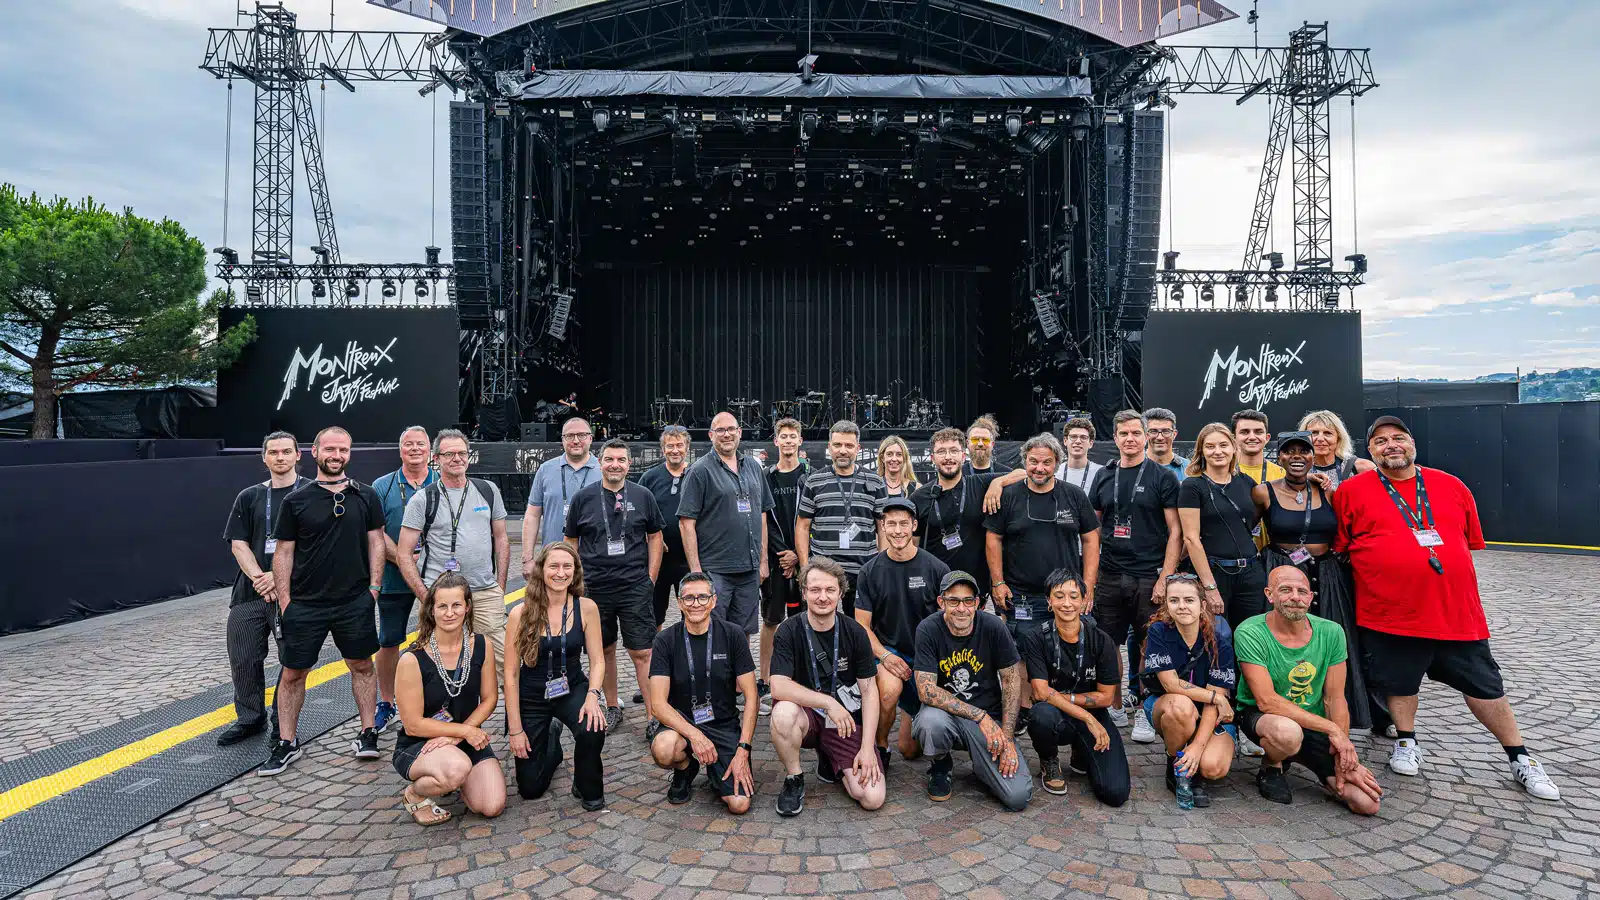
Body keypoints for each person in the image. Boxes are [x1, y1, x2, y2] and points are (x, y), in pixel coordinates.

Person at [1334, 416, 1561, 801]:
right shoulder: (1351, 492)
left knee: (1486, 687)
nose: (1391, 445)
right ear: (1369, 451)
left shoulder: (1450, 485)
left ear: (1412, 443)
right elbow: (1343, 544)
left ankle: (1520, 756)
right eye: (1381, 441)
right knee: (1400, 683)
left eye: (1398, 438)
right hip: (1389, 613)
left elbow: (1467, 541)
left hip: (1455, 614)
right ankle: (1406, 740)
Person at [260, 426, 387, 776]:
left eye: (343, 450)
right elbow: (284, 552)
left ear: (349, 454)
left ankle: (367, 732)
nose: (336, 455)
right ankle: (286, 742)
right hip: (305, 604)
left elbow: (377, 542)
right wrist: (286, 600)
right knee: (293, 673)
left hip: (354, 601)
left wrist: (373, 589)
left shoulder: (366, 496)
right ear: (314, 452)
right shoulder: (296, 500)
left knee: (362, 665)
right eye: (329, 449)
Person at [1234, 566, 1384, 814]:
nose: (1295, 597)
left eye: (1302, 591)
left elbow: (1335, 698)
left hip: (1312, 722)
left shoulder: (1331, 631)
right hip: (1264, 717)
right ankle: (1272, 765)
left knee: (1366, 803)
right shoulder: (1250, 632)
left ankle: (1298, 755)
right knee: (1287, 734)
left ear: (1311, 597)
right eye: (1285, 590)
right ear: (1269, 595)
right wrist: (1331, 729)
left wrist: (1342, 747)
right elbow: (1267, 701)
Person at [1252, 431, 1371, 732]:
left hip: (1326, 574)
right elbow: (1245, 530)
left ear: (1312, 457)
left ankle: (1335, 716)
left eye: (1303, 452)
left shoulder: (1328, 491)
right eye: (1289, 451)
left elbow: (1347, 528)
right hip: (1281, 567)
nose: (1296, 457)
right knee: (1283, 637)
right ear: (1278, 457)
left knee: (1332, 641)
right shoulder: (1263, 492)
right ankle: (1280, 711)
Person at [1087, 410, 1182, 743]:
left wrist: (1165, 577)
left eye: (1135, 433)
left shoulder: (1163, 477)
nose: (1129, 439)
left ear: (1146, 437)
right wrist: (1091, 577)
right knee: (1108, 642)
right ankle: (1114, 704)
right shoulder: (1103, 476)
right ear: (1115, 439)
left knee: (1148, 643)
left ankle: (1144, 709)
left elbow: (1175, 532)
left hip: (1149, 574)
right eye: (1123, 434)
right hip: (1111, 573)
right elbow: (1093, 531)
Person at [768, 558, 886, 816]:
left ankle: (830, 759)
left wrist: (867, 748)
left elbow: (869, 691)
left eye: (830, 590)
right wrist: (828, 702)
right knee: (782, 713)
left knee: (871, 797)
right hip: (808, 715)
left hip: (843, 722)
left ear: (841, 593)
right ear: (804, 592)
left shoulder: (855, 632)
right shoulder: (788, 630)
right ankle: (794, 778)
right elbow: (777, 686)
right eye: (815, 590)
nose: (823, 597)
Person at [564, 439, 665, 735]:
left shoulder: (643, 495)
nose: (615, 465)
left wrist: (651, 578)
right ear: (600, 462)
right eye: (609, 459)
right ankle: (612, 707)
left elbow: (656, 536)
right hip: (595, 589)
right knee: (603, 650)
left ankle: (653, 715)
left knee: (643, 652)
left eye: (621, 460)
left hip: (635, 586)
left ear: (629, 465)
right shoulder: (583, 498)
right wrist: (576, 582)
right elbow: (571, 542)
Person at [912, 570, 1032, 811]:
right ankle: (940, 764)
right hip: (948, 717)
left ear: (977, 603)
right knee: (929, 723)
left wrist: (1007, 738)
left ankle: (983, 766)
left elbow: (1011, 681)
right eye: (953, 601)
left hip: (989, 720)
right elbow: (926, 690)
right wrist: (979, 715)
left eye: (968, 601)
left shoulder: (993, 627)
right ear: (941, 602)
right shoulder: (928, 629)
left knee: (1018, 797)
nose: (961, 608)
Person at [392, 572, 505, 826]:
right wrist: (463, 731)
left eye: (456, 605)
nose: (449, 612)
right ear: (431, 610)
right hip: (419, 745)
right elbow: (413, 724)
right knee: (455, 769)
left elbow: (489, 699)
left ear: (467, 607)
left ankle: (457, 779)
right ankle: (416, 794)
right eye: (442, 606)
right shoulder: (413, 659)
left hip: (464, 738)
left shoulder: (482, 645)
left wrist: (459, 735)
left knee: (491, 806)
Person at [504, 542, 609, 811]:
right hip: (531, 694)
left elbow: (597, 661)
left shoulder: (586, 608)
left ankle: (586, 784)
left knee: (591, 726)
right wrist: (515, 730)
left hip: (571, 687)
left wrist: (593, 696)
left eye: (567, 567)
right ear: (541, 570)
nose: (560, 573)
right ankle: (552, 740)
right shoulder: (520, 613)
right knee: (530, 789)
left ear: (575, 572)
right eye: (554, 566)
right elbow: (511, 675)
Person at [218, 431, 305, 746]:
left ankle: (283, 722)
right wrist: (260, 577)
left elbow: (316, 546)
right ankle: (249, 719)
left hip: (293, 593)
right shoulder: (249, 496)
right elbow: (238, 544)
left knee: (292, 660)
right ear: (264, 457)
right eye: (273, 452)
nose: (280, 457)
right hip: (249, 592)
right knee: (243, 657)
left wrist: (278, 576)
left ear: (298, 455)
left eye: (285, 451)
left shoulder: (310, 493)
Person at [397, 430, 509, 668]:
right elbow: (403, 554)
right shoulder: (423, 499)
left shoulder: (488, 490)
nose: (457, 458)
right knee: (442, 664)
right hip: (441, 597)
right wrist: (426, 596)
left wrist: (500, 586)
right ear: (436, 459)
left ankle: (508, 706)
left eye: (462, 453)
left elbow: (501, 539)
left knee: (502, 664)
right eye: (449, 454)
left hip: (484, 593)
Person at [648, 572, 758, 812]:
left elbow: (751, 698)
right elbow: (657, 704)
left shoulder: (733, 635)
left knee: (739, 804)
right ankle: (685, 768)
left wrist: (743, 749)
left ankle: (718, 768)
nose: (695, 604)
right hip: (682, 722)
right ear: (679, 602)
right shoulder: (665, 640)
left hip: (722, 724)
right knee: (664, 749)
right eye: (688, 598)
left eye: (702, 597)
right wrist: (696, 737)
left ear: (714, 601)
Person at [854, 497, 950, 766]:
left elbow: (948, 624)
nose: (897, 530)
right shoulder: (869, 571)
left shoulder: (936, 569)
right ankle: (880, 747)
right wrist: (885, 657)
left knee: (909, 750)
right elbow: (862, 626)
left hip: (926, 656)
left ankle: (912, 711)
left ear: (914, 526)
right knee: (887, 691)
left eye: (903, 524)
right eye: (891, 524)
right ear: (882, 526)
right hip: (889, 652)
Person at [1019, 570, 1128, 806]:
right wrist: (1087, 717)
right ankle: (1049, 761)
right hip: (1056, 714)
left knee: (1115, 793)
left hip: (1092, 713)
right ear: (1049, 601)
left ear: (1083, 600)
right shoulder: (1035, 637)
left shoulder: (1101, 640)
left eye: (1073, 596)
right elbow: (1039, 692)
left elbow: (1106, 697)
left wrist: (1083, 711)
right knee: (1040, 715)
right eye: (1059, 596)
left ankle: (1082, 752)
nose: (1066, 603)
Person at [1138, 574, 1237, 808]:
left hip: (1209, 713)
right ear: (1166, 605)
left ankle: (1193, 758)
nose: (1181, 606)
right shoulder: (1158, 632)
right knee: (1179, 706)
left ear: (1202, 605)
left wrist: (1198, 747)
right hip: (1168, 705)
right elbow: (1171, 685)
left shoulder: (1219, 639)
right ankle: (1177, 765)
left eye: (1189, 600)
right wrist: (1215, 697)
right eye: (1174, 600)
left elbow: (1216, 705)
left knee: (1213, 768)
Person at [984, 433, 1100, 633]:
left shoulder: (1074, 495)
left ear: (1057, 463)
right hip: (1020, 594)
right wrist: (998, 582)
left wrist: (1088, 585)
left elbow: (1091, 539)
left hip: (1066, 595)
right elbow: (993, 538)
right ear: (1025, 461)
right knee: (1021, 654)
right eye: (1033, 461)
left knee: (1068, 653)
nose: (1039, 468)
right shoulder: (1008, 495)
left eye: (1047, 462)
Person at [678, 411, 773, 640]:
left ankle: (741, 677)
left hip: (749, 570)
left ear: (739, 433)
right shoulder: (699, 471)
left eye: (731, 429)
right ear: (711, 435)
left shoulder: (753, 467)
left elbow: (762, 515)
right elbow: (686, 524)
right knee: (713, 634)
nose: (727, 434)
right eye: (720, 430)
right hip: (715, 571)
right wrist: (696, 571)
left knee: (743, 634)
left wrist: (763, 561)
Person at [371, 426, 436, 734]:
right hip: (394, 576)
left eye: (420, 444)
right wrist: (403, 558)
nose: (414, 449)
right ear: (400, 451)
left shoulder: (442, 481)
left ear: (430, 450)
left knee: (439, 636)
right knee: (389, 640)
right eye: (408, 444)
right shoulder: (382, 485)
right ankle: (386, 702)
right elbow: (376, 533)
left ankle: (436, 700)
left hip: (436, 575)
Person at [1177, 423, 1267, 629]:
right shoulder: (1192, 486)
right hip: (1214, 572)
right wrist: (1210, 587)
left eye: (1223, 445)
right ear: (1201, 452)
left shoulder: (1246, 482)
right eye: (1210, 446)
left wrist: (1310, 479)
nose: (1218, 451)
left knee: (1250, 637)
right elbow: (1191, 538)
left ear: (1234, 448)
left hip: (1251, 573)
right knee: (1216, 638)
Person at [795, 420, 887, 617]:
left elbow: (883, 527)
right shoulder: (814, 481)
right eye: (837, 445)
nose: (842, 450)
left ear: (858, 448)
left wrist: (881, 567)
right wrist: (805, 569)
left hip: (862, 571)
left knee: (860, 629)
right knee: (818, 626)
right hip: (822, 571)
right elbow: (802, 526)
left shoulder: (875, 482)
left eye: (849, 445)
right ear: (829, 447)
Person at [911, 427, 1013, 601]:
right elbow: (913, 546)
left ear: (963, 456)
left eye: (954, 451)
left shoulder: (980, 483)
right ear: (932, 458)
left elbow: (1023, 474)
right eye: (941, 452)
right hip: (936, 589)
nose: (948, 457)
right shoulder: (919, 497)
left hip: (976, 589)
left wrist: (998, 483)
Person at [759, 418, 809, 713]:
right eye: (783, 437)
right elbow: (763, 519)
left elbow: (812, 520)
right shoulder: (767, 478)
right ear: (775, 442)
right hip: (777, 561)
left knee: (805, 618)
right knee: (771, 620)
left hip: (805, 559)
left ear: (800, 441)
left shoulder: (811, 475)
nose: (788, 441)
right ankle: (765, 680)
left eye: (793, 437)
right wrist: (782, 554)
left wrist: (799, 557)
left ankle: (802, 675)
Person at [522, 417, 598, 570]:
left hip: (593, 563)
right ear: (562, 440)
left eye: (582, 435)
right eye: (570, 436)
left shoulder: (603, 470)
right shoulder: (546, 470)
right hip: (552, 562)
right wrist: (527, 559)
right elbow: (532, 516)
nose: (576, 440)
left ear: (590, 438)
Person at [638, 425, 693, 630]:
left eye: (680, 445)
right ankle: (657, 656)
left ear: (687, 447)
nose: (675, 450)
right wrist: (649, 537)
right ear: (663, 450)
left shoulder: (697, 474)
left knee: (691, 613)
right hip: (657, 560)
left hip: (689, 560)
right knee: (655, 615)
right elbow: (638, 514)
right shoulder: (650, 478)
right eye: (670, 446)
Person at [1299, 410, 1374, 493]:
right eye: (1314, 433)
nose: (1320, 439)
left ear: (1339, 438)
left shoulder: (1362, 467)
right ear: (1303, 438)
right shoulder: (1295, 468)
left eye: (1327, 433)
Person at [1231, 410, 1284, 486]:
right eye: (1245, 432)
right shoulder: (1224, 472)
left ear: (1267, 438)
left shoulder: (1282, 475)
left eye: (1258, 432)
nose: (1252, 437)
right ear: (1233, 438)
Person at [1054, 417, 1103, 494]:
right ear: (1065, 441)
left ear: (1091, 443)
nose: (1078, 441)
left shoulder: (1101, 473)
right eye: (1073, 437)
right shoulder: (1054, 472)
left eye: (1083, 437)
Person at [1144, 407, 1188, 481]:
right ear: (1145, 434)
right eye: (1154, 431)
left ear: (1174, 434)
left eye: (1166, 431)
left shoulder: (1189, 469)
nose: (1160, 437)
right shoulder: (1133, 467)